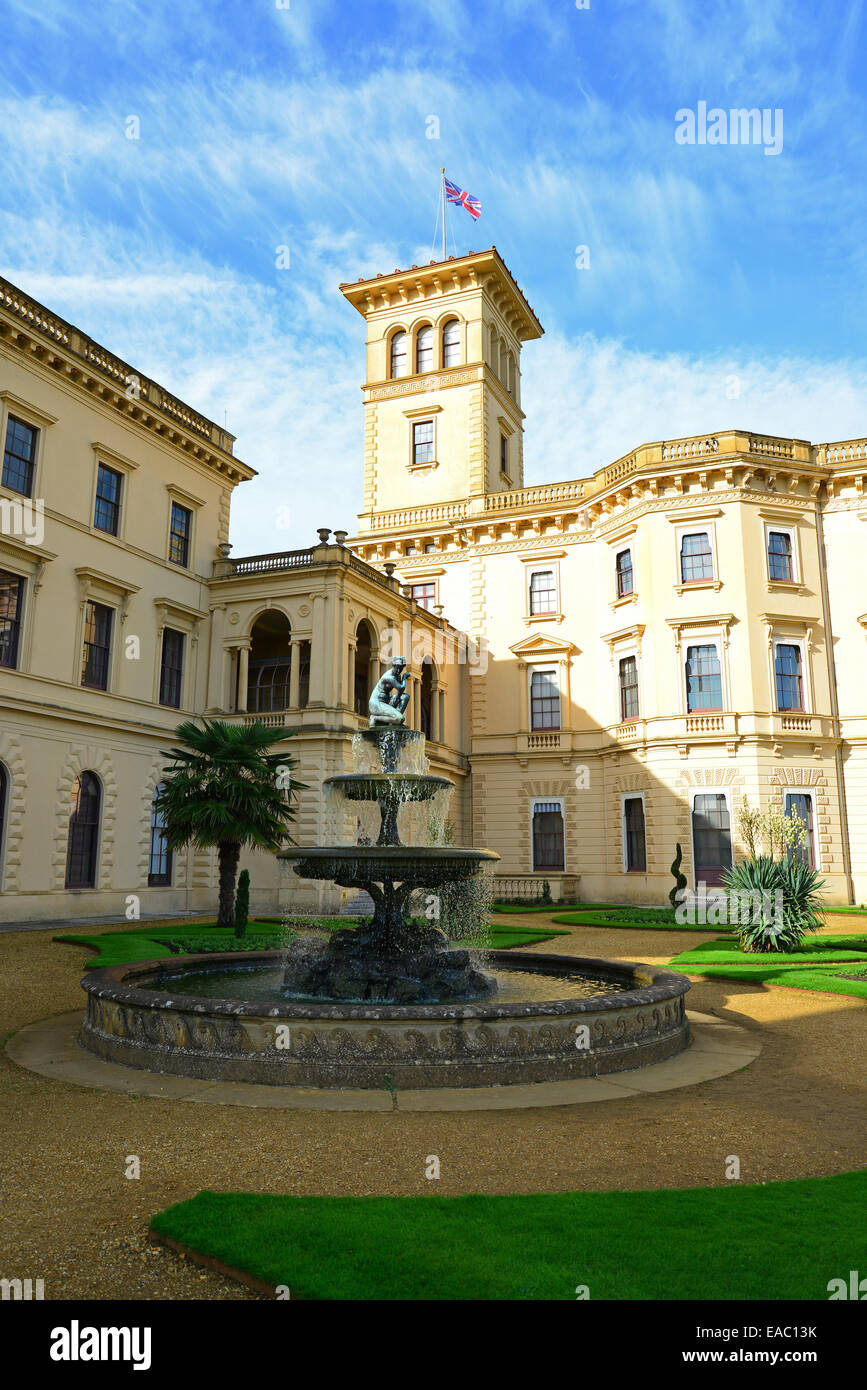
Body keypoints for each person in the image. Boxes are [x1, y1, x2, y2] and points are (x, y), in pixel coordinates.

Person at [368, 658, 410, 725]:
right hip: (376, 704)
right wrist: (404, 677)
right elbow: (401, 688)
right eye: (397, 667)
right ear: (393, 666)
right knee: (400, 718)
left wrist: (397, 696)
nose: (399, 670)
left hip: (386, 701)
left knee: (405, 696)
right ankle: (375, 718)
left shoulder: (397, 675)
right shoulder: (389, 677)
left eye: (401, 668)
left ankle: (395, 723)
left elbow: (400, 691)